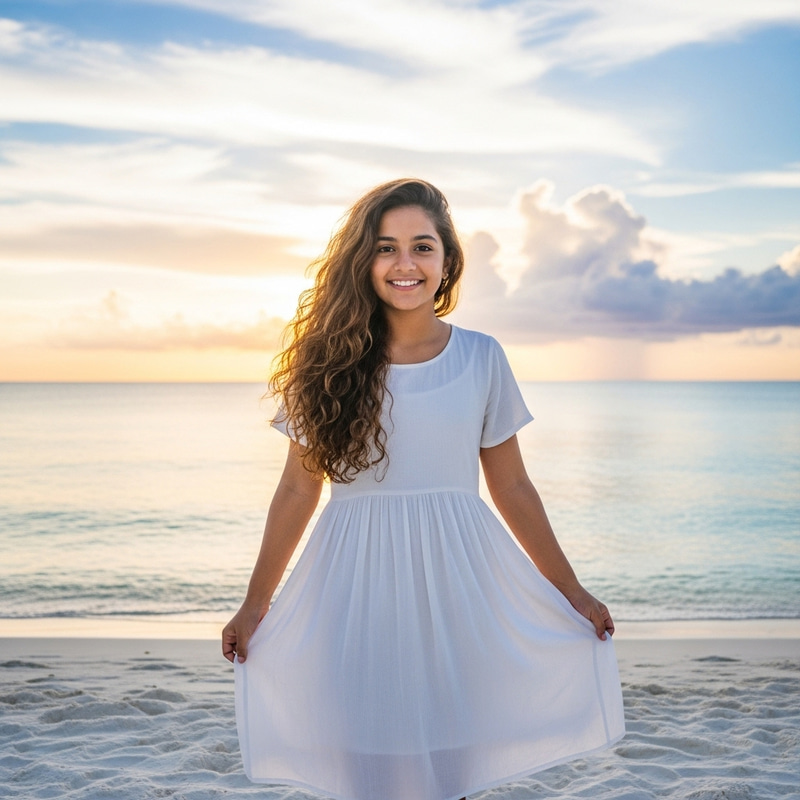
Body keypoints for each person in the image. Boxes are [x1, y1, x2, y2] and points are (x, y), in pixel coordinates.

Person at [222, 178, 625, 800]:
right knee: (363, 752)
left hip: (460, 578)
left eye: (422, 246)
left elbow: (513, 486)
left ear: (447, 261)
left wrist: (570, 591)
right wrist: (255, 603)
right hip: (351, 581)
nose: (405, 263)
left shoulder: (481, 357)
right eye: (386, 248)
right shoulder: (323, 366)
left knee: (453, 754)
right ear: (363, 261)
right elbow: (298, 492)